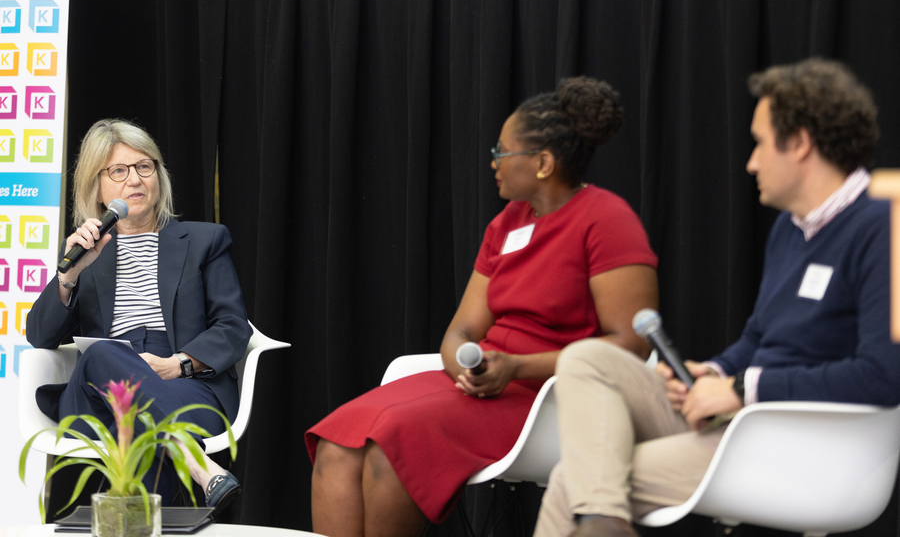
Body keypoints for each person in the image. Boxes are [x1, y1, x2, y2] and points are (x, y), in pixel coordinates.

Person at [533, 58, 900, 537]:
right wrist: (718, 371)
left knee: (569, 483)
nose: (750, 162)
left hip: (799, 442)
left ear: (801, 144)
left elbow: (884, 375)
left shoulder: (883, 225)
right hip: (740, 417)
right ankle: (605, 521)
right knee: (586, 359)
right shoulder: (790, 230)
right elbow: (757, 338)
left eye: (760, 143)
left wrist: (743, 388)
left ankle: (603, 521)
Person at [306, 77, 660, 537]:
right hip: (485, 384)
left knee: (392, 445)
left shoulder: (607, 219)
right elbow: (461, 331)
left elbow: (629, 345)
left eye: (502, 153)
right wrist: (466, 369)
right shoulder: (506, 224)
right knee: (338, 439)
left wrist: (516, 367)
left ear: (543, 163)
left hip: (552, 396)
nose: (492, 162)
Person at [27, 119, 252, 514]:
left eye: (144, 167)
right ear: (96, 187)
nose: (135, 179)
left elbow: (233, 328)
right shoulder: (85, 252)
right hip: (98, 393)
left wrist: (176, 365)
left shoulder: (204, 240)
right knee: (102, 354)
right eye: (118, 170)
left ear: (158, 176)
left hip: (183, 382)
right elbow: (39, 335)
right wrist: (69, 275)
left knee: (139, 431)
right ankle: (200, 466)